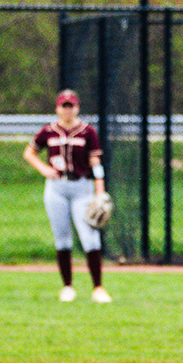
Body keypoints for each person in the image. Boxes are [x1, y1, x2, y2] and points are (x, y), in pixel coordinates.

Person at [23, 88, 111, 303]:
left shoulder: (87, 132)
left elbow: (95, 162)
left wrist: (99, 191)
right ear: (57, 108)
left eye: (71, 106)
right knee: (62, 237)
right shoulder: (49, 131)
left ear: (77, 108)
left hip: (81, 187)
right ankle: (67, 287)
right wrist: (44, 169)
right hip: (57, 188)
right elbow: (29, 153)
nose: (68, 110)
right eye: (64, 106)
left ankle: (98, 288)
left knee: (90, 237)